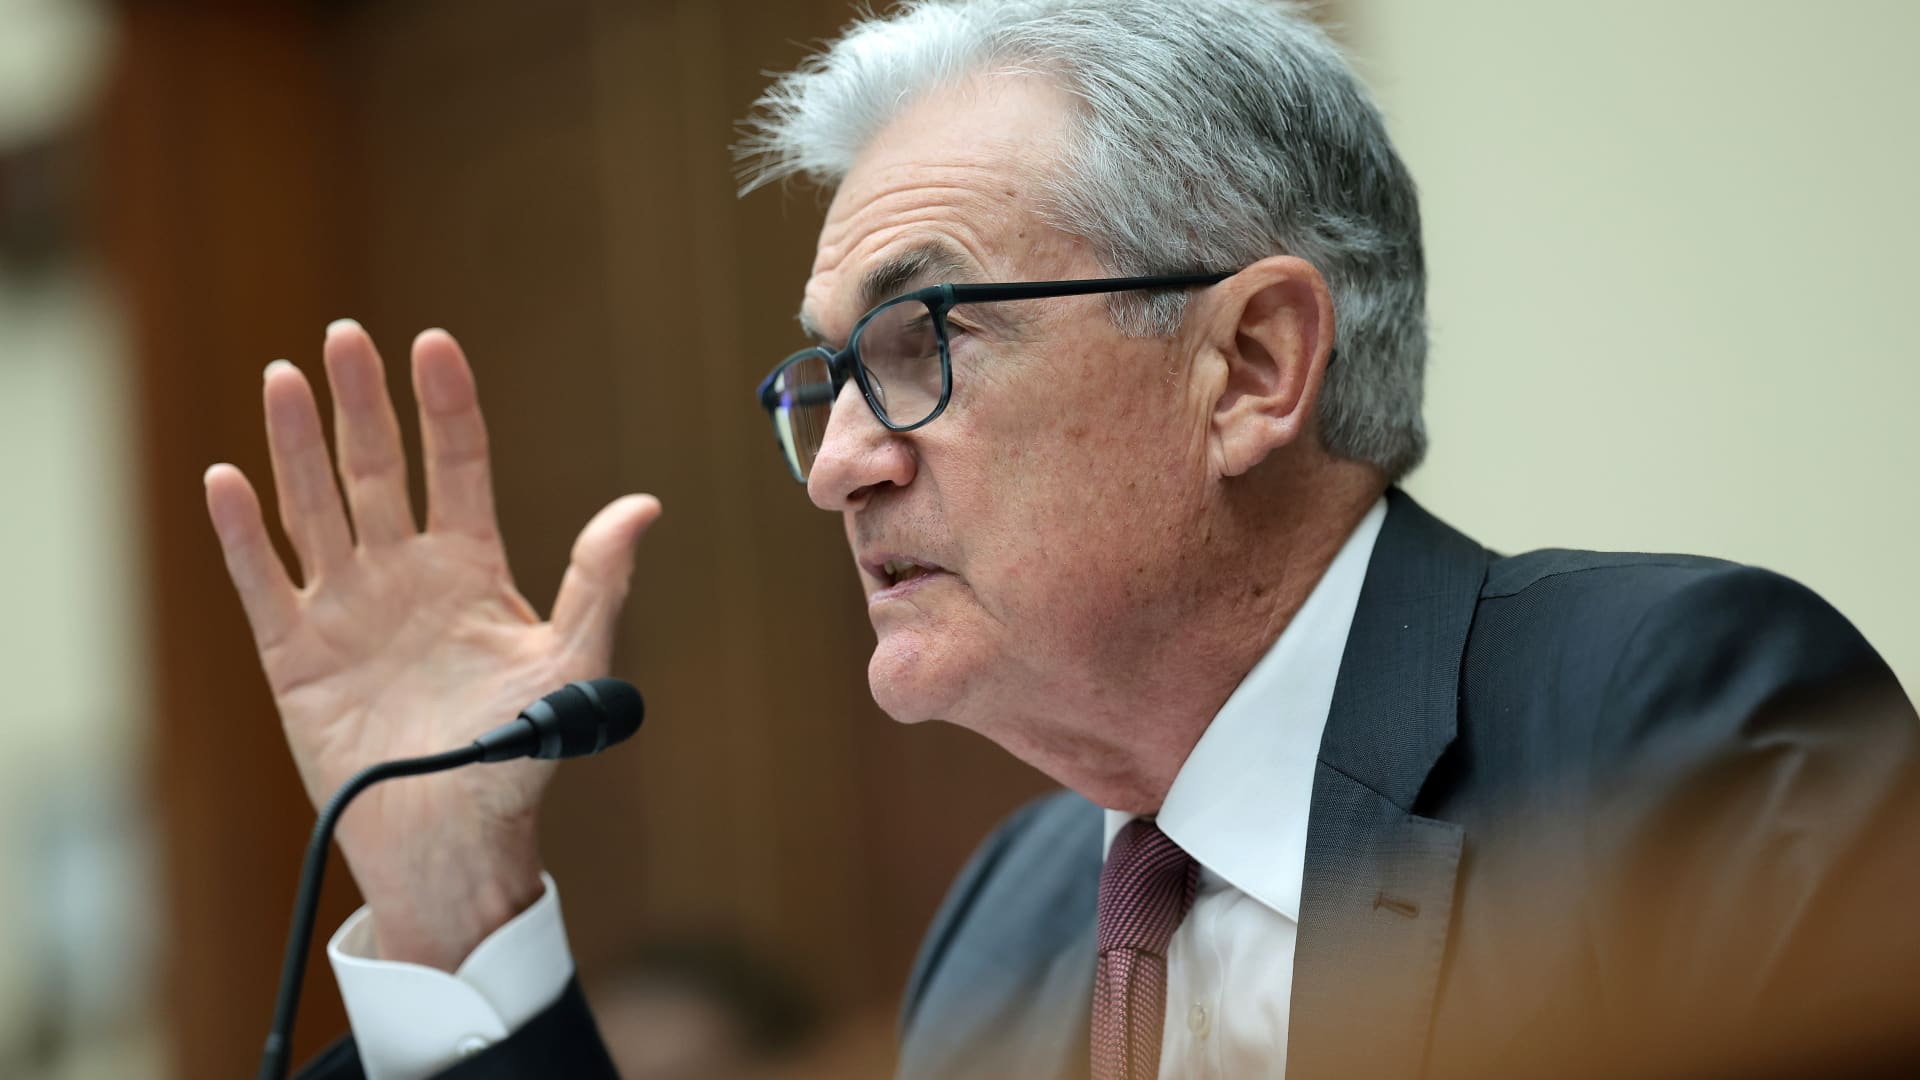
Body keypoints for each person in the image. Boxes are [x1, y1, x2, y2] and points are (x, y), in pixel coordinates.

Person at [201, 1, 1920, 1077]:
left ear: (1252, 366)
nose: (838, 464)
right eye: (826, 376)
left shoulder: (1675, 732)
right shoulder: (1013, 926)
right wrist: (456, 912)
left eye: (919, 340)